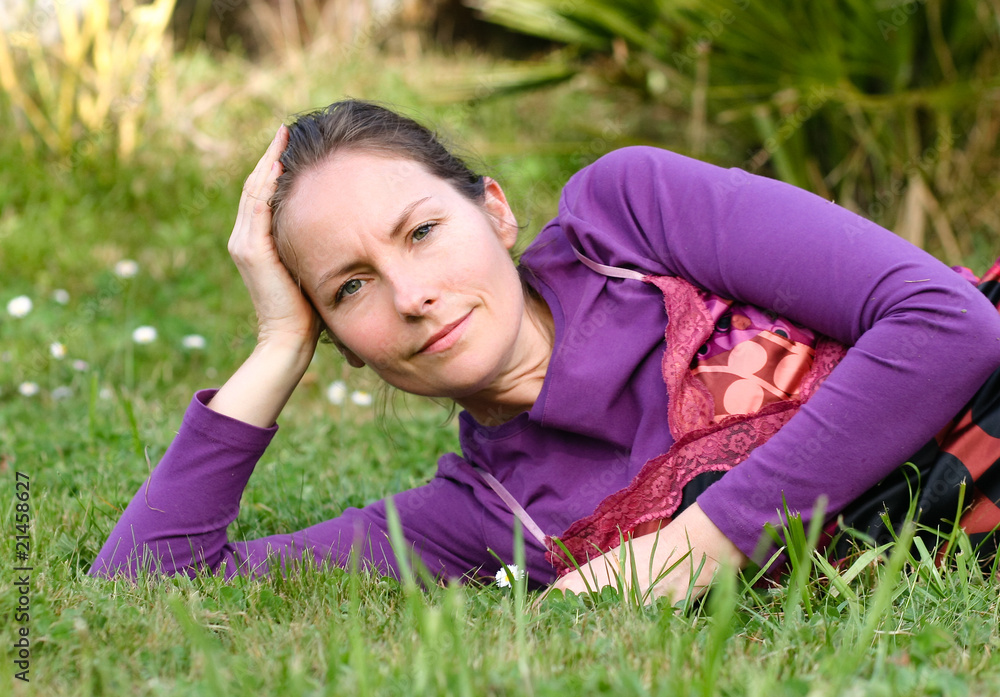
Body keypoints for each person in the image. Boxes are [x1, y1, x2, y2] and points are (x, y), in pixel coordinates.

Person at [90, 100, 1000, 600]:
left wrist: (708, 537)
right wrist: (279, 341)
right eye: (350, 289)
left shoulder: (630, 216)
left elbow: (947, 324)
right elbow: (144, 580)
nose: (413, 296)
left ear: (494, 210)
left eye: (422, 231)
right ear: (345, 346)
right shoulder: (483, 520)